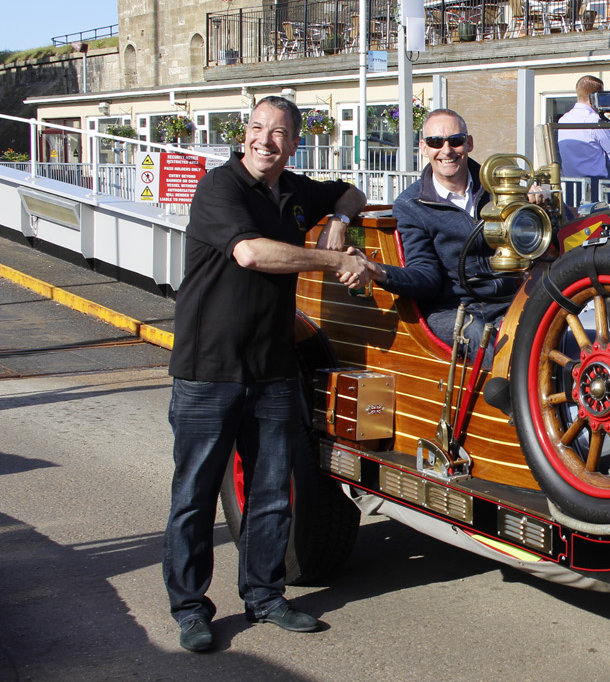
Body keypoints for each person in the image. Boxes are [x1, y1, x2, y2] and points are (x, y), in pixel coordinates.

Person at [164, 95, 376, 653]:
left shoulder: (295, 190)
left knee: (271, 494)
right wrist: (337, 259)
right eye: (257, 128)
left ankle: (263, 595)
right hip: (209, 371)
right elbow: (252, 255)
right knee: (195, 494)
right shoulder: (220, 188)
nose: (266, 140)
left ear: (294, 142)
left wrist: (341, 219)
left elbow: (353, 191)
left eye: (279, 132)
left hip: (274, 369)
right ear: (244, 135)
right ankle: (190, 609)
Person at [363, 108, 522, 349]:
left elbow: (541, 241)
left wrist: (537, 202)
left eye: (455, 141)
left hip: (509, 300)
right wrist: (379, 272)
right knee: (483, 339)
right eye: (436, 142)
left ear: (468, 143)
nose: (446, 150)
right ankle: (504, 387)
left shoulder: (501, 188)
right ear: (424, 147)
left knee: (558, 328)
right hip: (452, 308)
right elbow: (426, 276)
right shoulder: (411, 205)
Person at [557, 75, 610, 200]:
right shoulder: (593, 120)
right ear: (595, 97)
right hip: (595, 186)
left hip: (570, 184)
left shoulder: (563, 119)